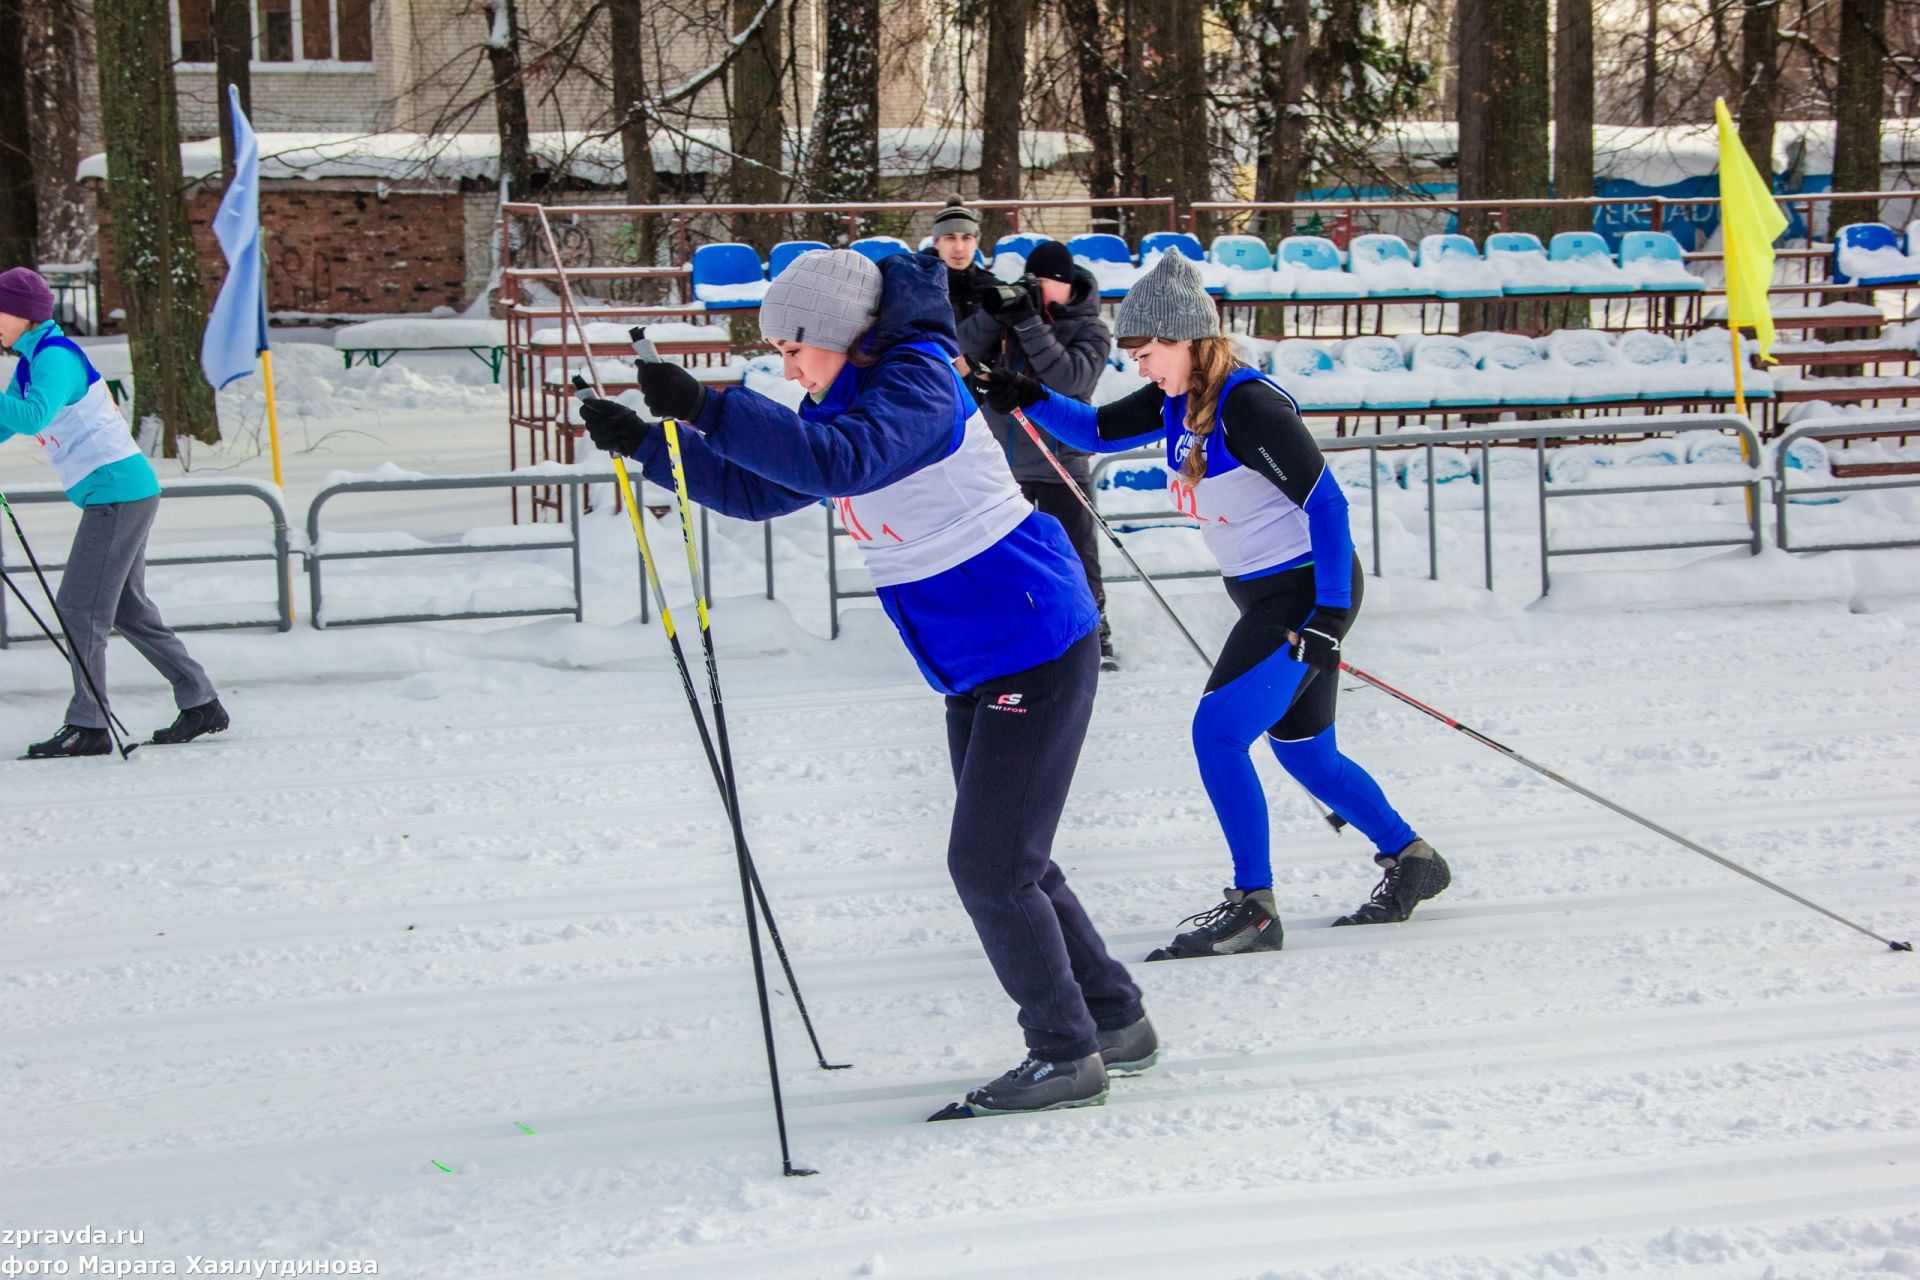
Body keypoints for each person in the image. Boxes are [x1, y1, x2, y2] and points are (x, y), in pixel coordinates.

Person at [577, 249, 1155, 1117]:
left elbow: (840, 464)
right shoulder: (845, 394)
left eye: (793, 349)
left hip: (1030, 636)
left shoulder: (919, 383)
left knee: (992, 867)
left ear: (842, 335)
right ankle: (1115, 1020)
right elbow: (768, 488)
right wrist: (660, 449)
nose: (787, 368)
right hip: (978, 650)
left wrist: (710, 405)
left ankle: (1066, 1052)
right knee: (1014, 860)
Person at [981, 250, 1452, 958]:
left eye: (1148, 353)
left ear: (1188, 341)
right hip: (1270, 593)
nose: (1140, 366)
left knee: (1218, 733)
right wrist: (1022, 394)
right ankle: (1413, 860)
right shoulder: (1178, 400)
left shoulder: (1249, 404)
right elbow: (1092, 430)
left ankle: (1254, 905)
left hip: (1303, 592)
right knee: (1307, 753)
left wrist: (1325, 616)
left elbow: (1327, 503)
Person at [0, 267, 227, 758]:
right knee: (128, 610)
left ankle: (90, 724)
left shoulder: (55, 359)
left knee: (80, 607)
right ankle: (201, 701)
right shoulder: (31, 361)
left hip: (116, 493)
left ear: (22, 314)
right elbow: (8, 423)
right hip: (121, 491)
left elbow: (33, 416)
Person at [958, 239, 1118, 671]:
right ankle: (1018, 631)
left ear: (1068, 287)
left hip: (1059, 460)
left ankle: (1094, 626)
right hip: (1003, 462)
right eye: (1035, 281)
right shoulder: (1013, 319)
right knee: (1006, 554)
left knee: (1075, 550)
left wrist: (1030, 323)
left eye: (1049, 283)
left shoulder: (1092, 328)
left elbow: (1069, 379)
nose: (1041, 290)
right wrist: (995, 315)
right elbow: (960, 350)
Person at [920, 196, 997, 351]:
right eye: (950, 238)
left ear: (976, 242)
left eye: (967, 238)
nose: (959, 247)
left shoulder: (991, 287)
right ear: (936, 242)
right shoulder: (920, 285)